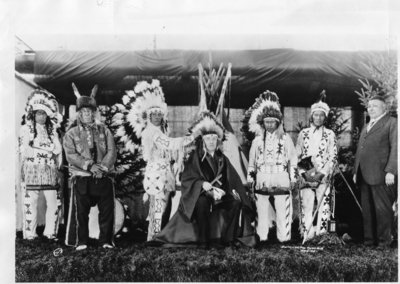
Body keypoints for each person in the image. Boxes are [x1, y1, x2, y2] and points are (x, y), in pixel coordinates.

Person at [152, 111, 256, 248]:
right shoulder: (195, 157)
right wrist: (201, 183)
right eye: (208, 139)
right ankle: (203, 241)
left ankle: (226, 239)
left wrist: (235, 193)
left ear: (218, 140)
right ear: (203, 141)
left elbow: (233, 178)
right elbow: (187, 178)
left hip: (219, 195)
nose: (211, 142)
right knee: (202, 203)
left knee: (235, 204)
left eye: (214, 138)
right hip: (200, 195)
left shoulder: (222, 159)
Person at [64, 83, 117, 250]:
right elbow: (71, 155)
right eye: (83, 112)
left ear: (94, 113)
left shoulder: (105, 130)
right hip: (82, 177)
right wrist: (89, 166)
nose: (87, 114)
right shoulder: (71, 134)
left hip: (103, 176)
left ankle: (106, 241)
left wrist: (102, 168)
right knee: (81, 212)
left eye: (89, 111)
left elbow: (112, 150)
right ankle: (82, 241)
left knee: (107, 210)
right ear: (79, 114)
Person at [246, 91, 297, 243]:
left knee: (282, 208)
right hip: (262, 177)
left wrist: (293, 177)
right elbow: (252, 161)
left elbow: (293, 159)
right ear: (262, 123)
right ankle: (262, 237)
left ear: (278, 123)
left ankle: (283, 238)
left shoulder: (286, 139)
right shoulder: (257, 141)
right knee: (261, 209)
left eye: (272, 122)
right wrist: (250, 177)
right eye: (266, 122)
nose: (269, 125)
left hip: (281, 176)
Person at [353, 95, 397, 247]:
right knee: (368, 210)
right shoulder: (367, 125)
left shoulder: (392, 123)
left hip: (382, 175)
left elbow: (397, 148)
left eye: (375, 106)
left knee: (382, 210)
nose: (370, 108)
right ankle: (369, 241)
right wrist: (355, 171)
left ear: (384, 108)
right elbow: (361, 150)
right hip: (364, 174)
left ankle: (384, 242)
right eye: (369, 106)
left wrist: (391, 171)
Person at [19, 90, 63, 240]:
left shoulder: (53, 132)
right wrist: (47, 150)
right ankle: (30, 233)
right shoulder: (26, 129)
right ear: (33, 114)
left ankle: (50, 231)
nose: (41, 117)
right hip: (32, 170)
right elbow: (26, 151)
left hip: (49, 171)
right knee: (30, 202)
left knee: (53, 202)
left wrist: (41, 149)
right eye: (38, 113)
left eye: (44, 114)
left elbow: (57, 149)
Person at [296, 94, 337, 240]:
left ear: (325, 117)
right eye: (316, 115)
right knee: (306, 204)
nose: (318, 118)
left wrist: (324, 173)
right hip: (307, 174)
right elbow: (297, 155)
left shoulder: (330, 134)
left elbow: (333, 156)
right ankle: (307, 234)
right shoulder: (303, 134)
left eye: (321, 115)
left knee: (323, 205)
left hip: (323, 175)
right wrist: (303, 173)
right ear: (311, 116)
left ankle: (322, 235)